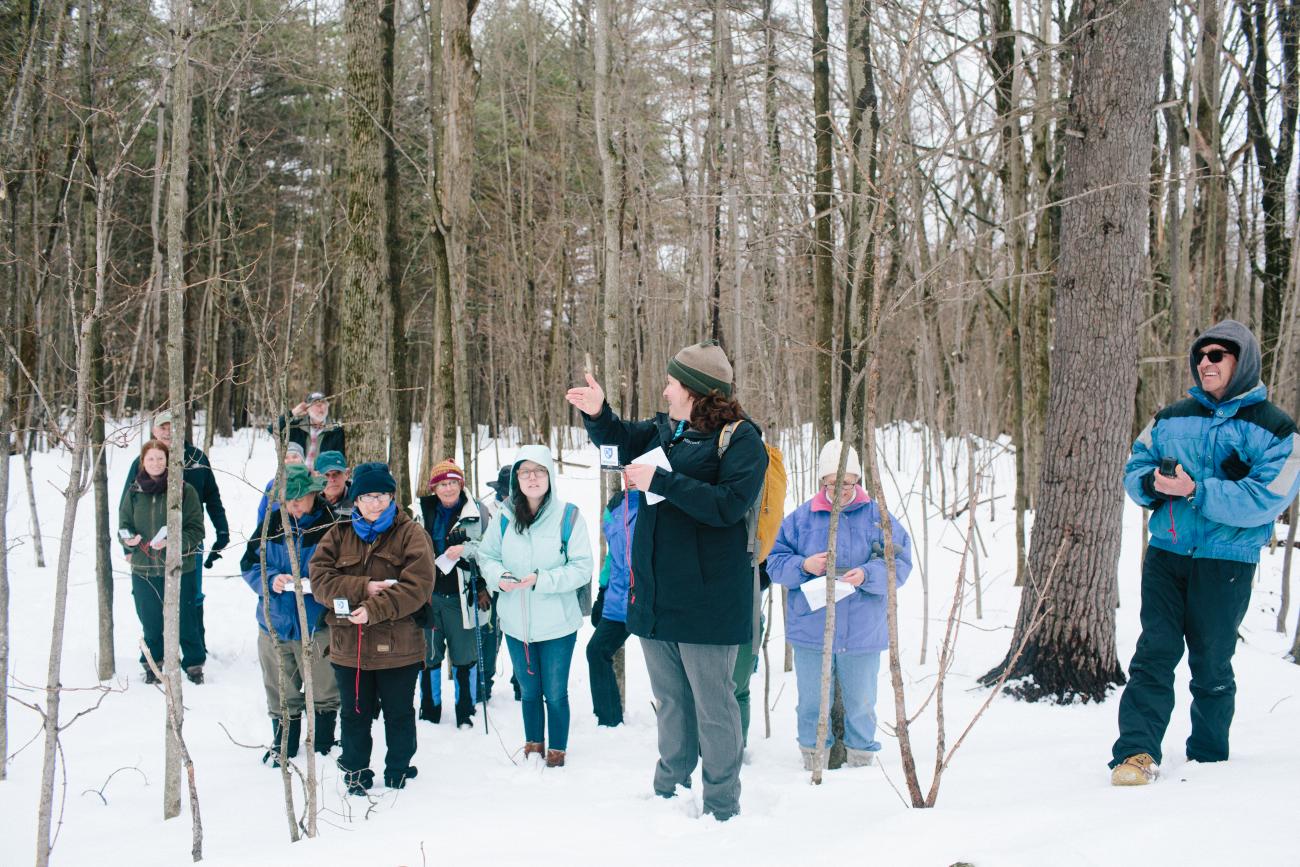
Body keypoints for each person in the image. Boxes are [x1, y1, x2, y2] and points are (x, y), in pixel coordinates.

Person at [567, 340, 768, 820]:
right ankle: (669, 793)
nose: (665, 389)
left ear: (697, 391)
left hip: (710, 602)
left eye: (673, 383)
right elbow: (619, 439)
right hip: (656, 598)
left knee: (714, 708)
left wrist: (660, 482)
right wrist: (598, 415)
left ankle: (721, 805)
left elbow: (727, 506)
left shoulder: (742, 440)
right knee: (672, 703)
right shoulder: (667, 430)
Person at [1110, 320, 1300, 785]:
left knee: (1211, 661)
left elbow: (1269, 498)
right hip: (1167, 553)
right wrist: (1153, 484)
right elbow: (1135, 468)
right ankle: (1135, 753)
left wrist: (1200, 491)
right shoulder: (1171, 417)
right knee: (1154, 652)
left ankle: (1210, 759)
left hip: (1227, 561)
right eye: (1201, 354)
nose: (1206, 363)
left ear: (1243, 362)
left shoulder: (1276, 429)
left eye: (1218, 355)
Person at [767, 440, 913, 770]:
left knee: (861, 703)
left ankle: (861, 763)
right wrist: (804, 566)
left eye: (846, 483)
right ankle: (814, 761)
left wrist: (869, 574)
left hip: (862, 630)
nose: (839, 490)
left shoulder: (878, 517)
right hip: (811, 630)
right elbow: (774, 562)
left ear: (857, 481)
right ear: (822, 482)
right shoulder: (802, 518)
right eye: (831, 483)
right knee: (811, 703)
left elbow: (899, 563)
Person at [308, 462, 434, 795]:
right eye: (367, 497)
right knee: (353, 716)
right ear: (356, 499)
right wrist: (364, 587)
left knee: (399, 714)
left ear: (392, 496)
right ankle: (356, 771)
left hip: (399, 648)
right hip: (350, 647)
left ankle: (399, 769)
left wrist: (373, 610)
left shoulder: (411, 534)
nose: (374, 503)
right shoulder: (338, 533)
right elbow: (320, 581)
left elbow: (418, 586)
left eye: (381, 496)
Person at [477, 446, 593, 768]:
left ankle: (556, 752)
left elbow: (582, 567)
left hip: (557, 625)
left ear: (549, 477)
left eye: (539, 471)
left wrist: (541, 580)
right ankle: (533, 746)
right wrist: (499, 577)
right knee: (529, 691)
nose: (532, 477)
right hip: (516, 625)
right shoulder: (504, 517)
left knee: (555, 693)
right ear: (516, 477)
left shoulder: (568, 516)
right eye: (525, 471)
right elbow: (487, 556)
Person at [241, 465, 342, 765]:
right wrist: (270, 579)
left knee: (324, 684)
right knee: (279, 684)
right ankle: (284, 742)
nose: (296, 505)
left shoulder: (330, 526)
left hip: (317, 622)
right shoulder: (270, 524)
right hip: (275, 621)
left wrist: (318, 584)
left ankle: (323, 742)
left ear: (315, 494)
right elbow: (248, 565)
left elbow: (343, 571)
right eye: (290, 499)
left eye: (301, 498)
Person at [120, 411, 229, 650]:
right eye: (163, 427)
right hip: (149, 545)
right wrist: (126, 544)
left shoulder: (196, 458)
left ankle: (195, 647)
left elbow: (212, 497)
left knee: (191, 595)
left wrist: (222, 530)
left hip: (190, 538)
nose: (168, 431)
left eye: (173, 427)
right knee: (151, 600)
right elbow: (126, 506)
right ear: (154, 431)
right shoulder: (144, 462)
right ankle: (158, 650)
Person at [119, 439, 206, 683]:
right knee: (151, 621)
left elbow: (197, 530)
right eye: (150, 459)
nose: (155, 463)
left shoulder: (183, 489)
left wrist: (174, 542)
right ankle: (153, 664)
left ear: (168, 461)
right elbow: (123, 524)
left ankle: (194, 665)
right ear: (142, 462)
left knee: (186, 618)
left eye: (160, 458)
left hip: (179, 568)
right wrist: (129, 540)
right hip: (143, 569)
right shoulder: (134, 491)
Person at [416, 459, 490, 727]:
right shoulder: (421, 513)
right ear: (433, 488)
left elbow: (490, 551)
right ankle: (429, 710)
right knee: (429, 655)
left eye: (453, 483)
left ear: (461, 484)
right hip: (429, 595)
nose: (448, 489)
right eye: (442, 484)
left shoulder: (477, 512)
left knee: (464, 655)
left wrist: (465, 551)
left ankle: (465, 711)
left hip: (462, 594)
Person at [587, 486, 639, 727]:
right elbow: (612, 556)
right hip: (618, 598)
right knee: (596, 650)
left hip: (651, 598)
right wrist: (602, 591)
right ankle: (608, 719)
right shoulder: (616, 504)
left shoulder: (661, 500)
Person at [272, 391, 346, 470]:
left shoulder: (336, 431)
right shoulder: (296, 427)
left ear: (327, 406)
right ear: (307, 409)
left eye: (323, 402)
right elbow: (272, 429)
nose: (320, 405)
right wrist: (293, 412)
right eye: (315, 403)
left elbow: (339, 461)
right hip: (296, 476)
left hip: (322, 479)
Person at [254, 443, 306, 529]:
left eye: (295, 457)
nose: (291, 460)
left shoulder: (309, 484)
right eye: (286, 457)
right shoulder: (273, 485)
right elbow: (262, 513)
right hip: (276, 537)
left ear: (302, 460)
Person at [316, 450, 353, 518]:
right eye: (326, 475)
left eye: (337, 473)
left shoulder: (359, 501)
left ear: (347, 474)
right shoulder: (311, 504)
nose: (332, 479)